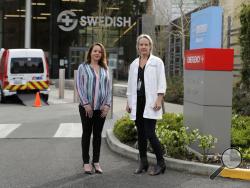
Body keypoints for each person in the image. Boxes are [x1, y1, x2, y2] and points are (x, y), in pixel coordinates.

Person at [126, 34, 167, 176]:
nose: (143, 47)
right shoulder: (133, 64)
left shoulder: (157, 62)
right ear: (137, 47)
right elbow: (131, 85)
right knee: (141, 135)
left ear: (150, 46)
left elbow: (162, 82)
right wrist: (128, 102)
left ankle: (161, 163)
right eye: (141, 45)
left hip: (150, 102)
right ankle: (143, 162)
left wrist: (159, 99)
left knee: (150, 133)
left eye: (146, 45)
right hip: (137, 102)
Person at [76, 42, 111, 174]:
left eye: (100, 52)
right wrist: (85, 104)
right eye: (95, 51)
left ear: (102, 54)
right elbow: (79, 86)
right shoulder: (83, 67)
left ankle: (96, 162)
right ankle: (86, 162)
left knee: (97, 135)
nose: (97, 53)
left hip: (101, 109)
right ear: (90, 52)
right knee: (86, 134)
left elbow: (109, 87)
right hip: (86, 108)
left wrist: (107, 105)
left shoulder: (105, 68)